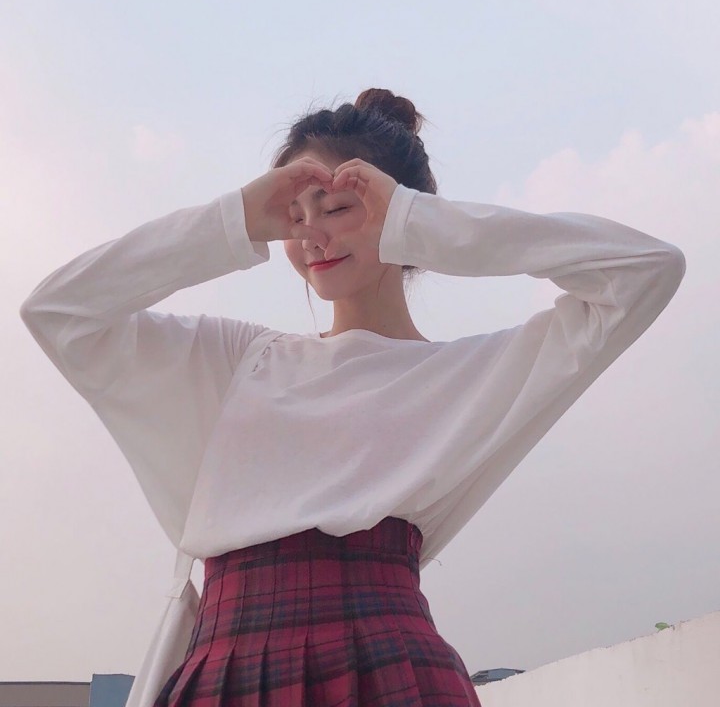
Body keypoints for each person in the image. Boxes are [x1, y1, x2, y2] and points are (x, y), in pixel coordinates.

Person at [20, 88, 685, 707]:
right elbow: (59, 311)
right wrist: (235, 221)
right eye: (293, 215)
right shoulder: (239, 361)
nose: (312, 235)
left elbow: (644, 270)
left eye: (338, 209)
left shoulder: (469, 373)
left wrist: (421, 223)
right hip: (225, 674)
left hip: (388, 669)